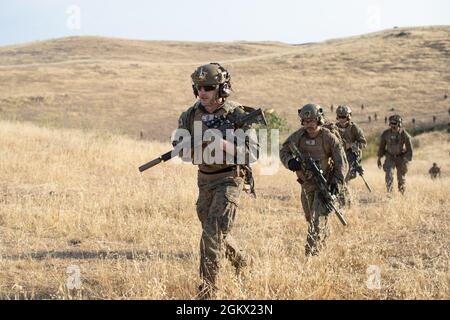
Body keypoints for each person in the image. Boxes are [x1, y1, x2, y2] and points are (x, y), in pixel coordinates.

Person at [174, 63, 256, 299]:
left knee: (211, 234)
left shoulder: (236, 114)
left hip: (230, 178)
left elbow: (253, 153)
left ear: (222, 89)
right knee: (216, 231)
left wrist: (220, 143)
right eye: (199, 88)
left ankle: (207, 294)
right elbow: (182, 153)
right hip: (204, 180)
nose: (203, 93)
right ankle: (241, 260)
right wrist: (194, 145)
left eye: (209, 87)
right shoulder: (190, 115)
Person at [280, 104, 346, 256]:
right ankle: (322, 241)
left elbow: (341, 163)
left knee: (316, 220)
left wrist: (336, 182)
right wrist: (290, 162)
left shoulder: (328, 137)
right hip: (306, 185)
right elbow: (284, 151)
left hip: (324, 184)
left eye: (312, 121)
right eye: (305, 121)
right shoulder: (298, 136)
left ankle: (311, 256)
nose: (309, 124)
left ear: (319, 119)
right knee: (311, 218)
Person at [335, 105, 367, 206]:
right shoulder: (334, 128)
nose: (341, 119)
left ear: (348, 117)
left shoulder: (354, 128)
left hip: (350, 157)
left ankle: (346, 203)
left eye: (344, 117)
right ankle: (342, 202)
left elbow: (363, 144)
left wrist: (350, 145)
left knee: (343, 179)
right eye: (339, 117)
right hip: (337, 156)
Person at [377, 115, 413, 194]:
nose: (393, 125)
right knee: (389, 175)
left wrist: (406, 159)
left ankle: (402, 194)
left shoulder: (404, 135)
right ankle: (389, 194)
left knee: (401, 178)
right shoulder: (386, 134)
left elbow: (410, 149)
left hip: (401, 158)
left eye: (394, 123)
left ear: (399, 124)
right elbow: (381, 147)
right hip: (390, 157)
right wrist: (379, 158)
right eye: (391, 123)